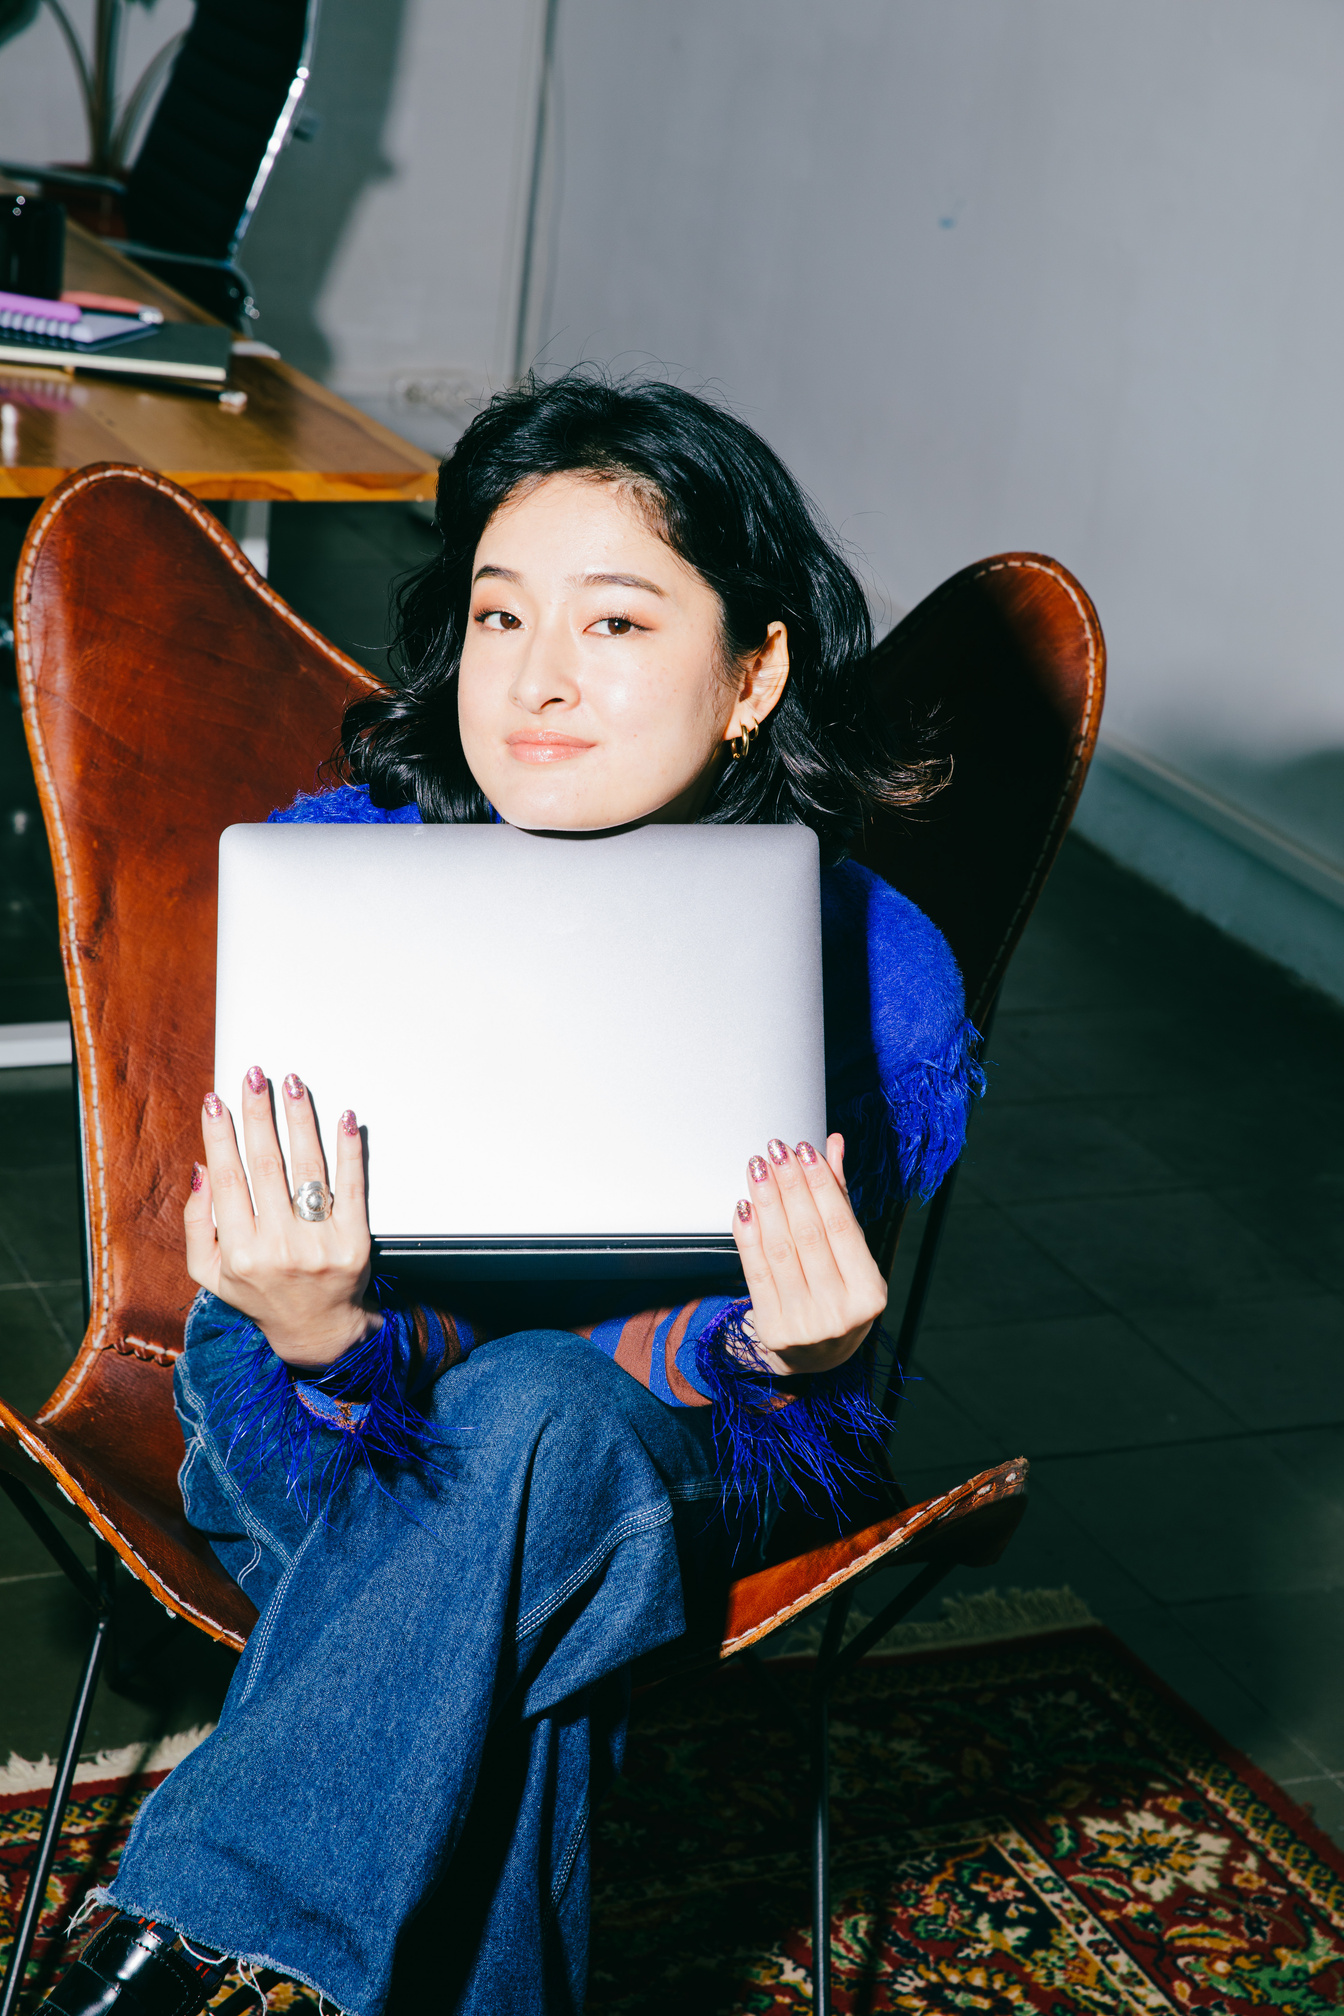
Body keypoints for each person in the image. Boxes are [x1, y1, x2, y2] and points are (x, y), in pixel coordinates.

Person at [42, 375, 982, 2016]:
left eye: (616, 623)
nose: (537, 679)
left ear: (753, 672)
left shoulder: (862, 965)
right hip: (316, 1444)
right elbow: (250, 1342)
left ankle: (180, 1939)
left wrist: (804, 1357)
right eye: (497, 614)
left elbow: (755, 1387)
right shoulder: (335, 877)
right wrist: (322, 1334)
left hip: (653, 1467)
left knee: (543, 1416)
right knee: (515, 1522)